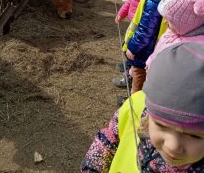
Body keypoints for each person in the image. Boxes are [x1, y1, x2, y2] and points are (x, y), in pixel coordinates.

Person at [81, 42, 204, 173]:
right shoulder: (136, 106)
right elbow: (109, 139)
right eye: (161, 125)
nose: (173, 146)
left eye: (194, 136)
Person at [146, 0, 204, 68]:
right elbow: (161, 46)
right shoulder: (175, 31)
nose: (164, 22)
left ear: (186, 23)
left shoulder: (189, 50)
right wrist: (150, 62)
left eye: (169, 20)